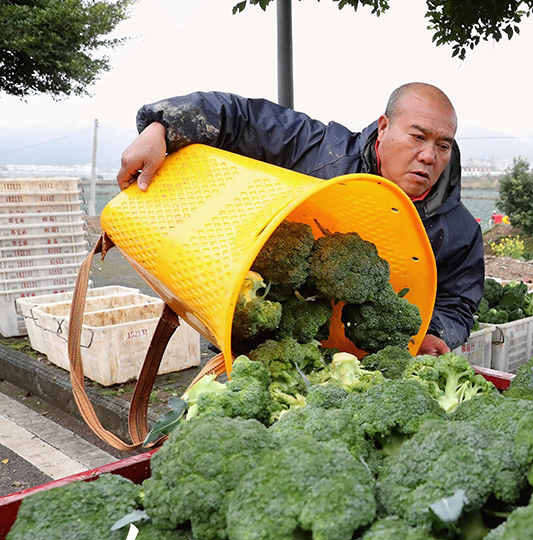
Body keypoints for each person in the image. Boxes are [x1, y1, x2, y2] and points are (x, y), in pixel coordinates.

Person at [117, 84, 483, 356]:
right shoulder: (317, 150)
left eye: (443, 145)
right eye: (417, 136)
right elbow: (241, 117)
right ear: (384, 127)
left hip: (368, 370)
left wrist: (435, 333)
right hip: (263, 345)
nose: (428, 156)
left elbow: (458, 302)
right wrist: (160, 129)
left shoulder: (461, 232)